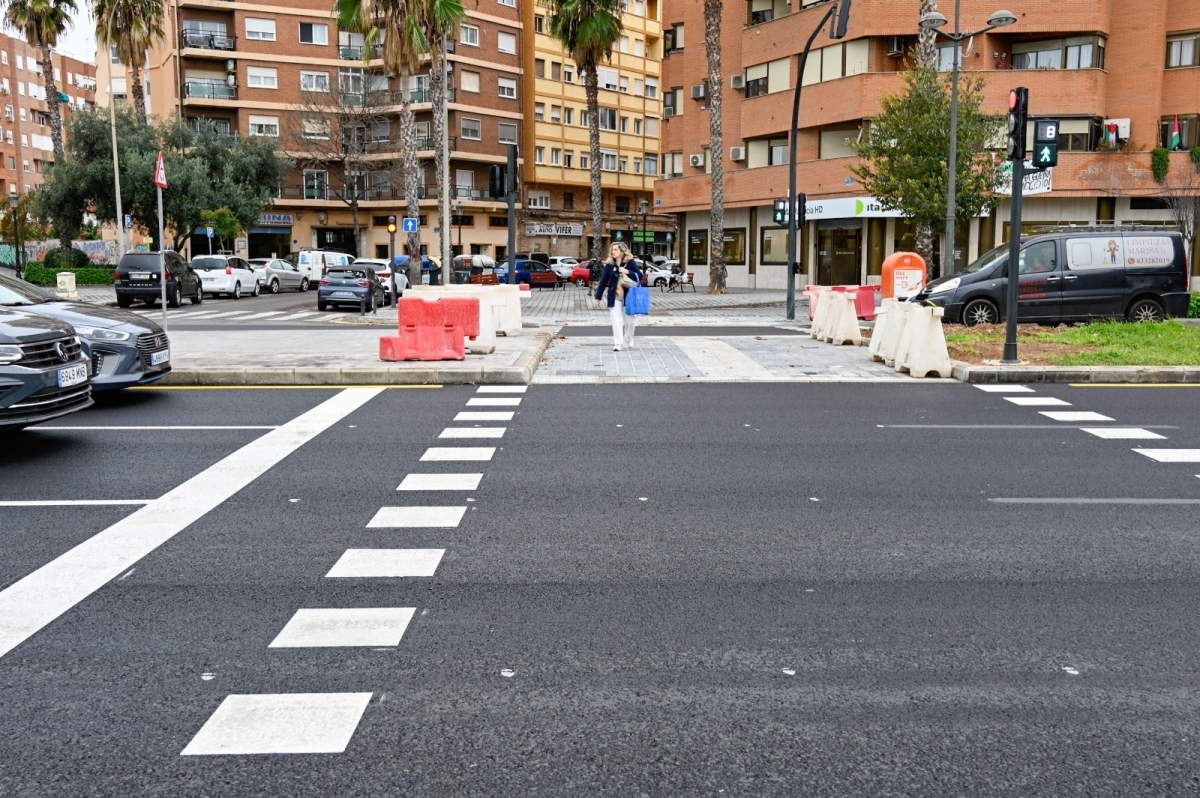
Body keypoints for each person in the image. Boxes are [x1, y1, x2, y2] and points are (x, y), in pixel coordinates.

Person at [593, 242, 642, 351]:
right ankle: (618, 343)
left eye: (616, 249)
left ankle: (628, 338)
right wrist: (598, 298)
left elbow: (639, 275)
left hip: (629, 296)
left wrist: (627, 271)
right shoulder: (609, 264)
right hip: (614, 296)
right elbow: (603, 281)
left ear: (622, 251)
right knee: (616, 320)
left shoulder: (630, 262)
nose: (613, 251)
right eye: (612, 249)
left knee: (630, 321)